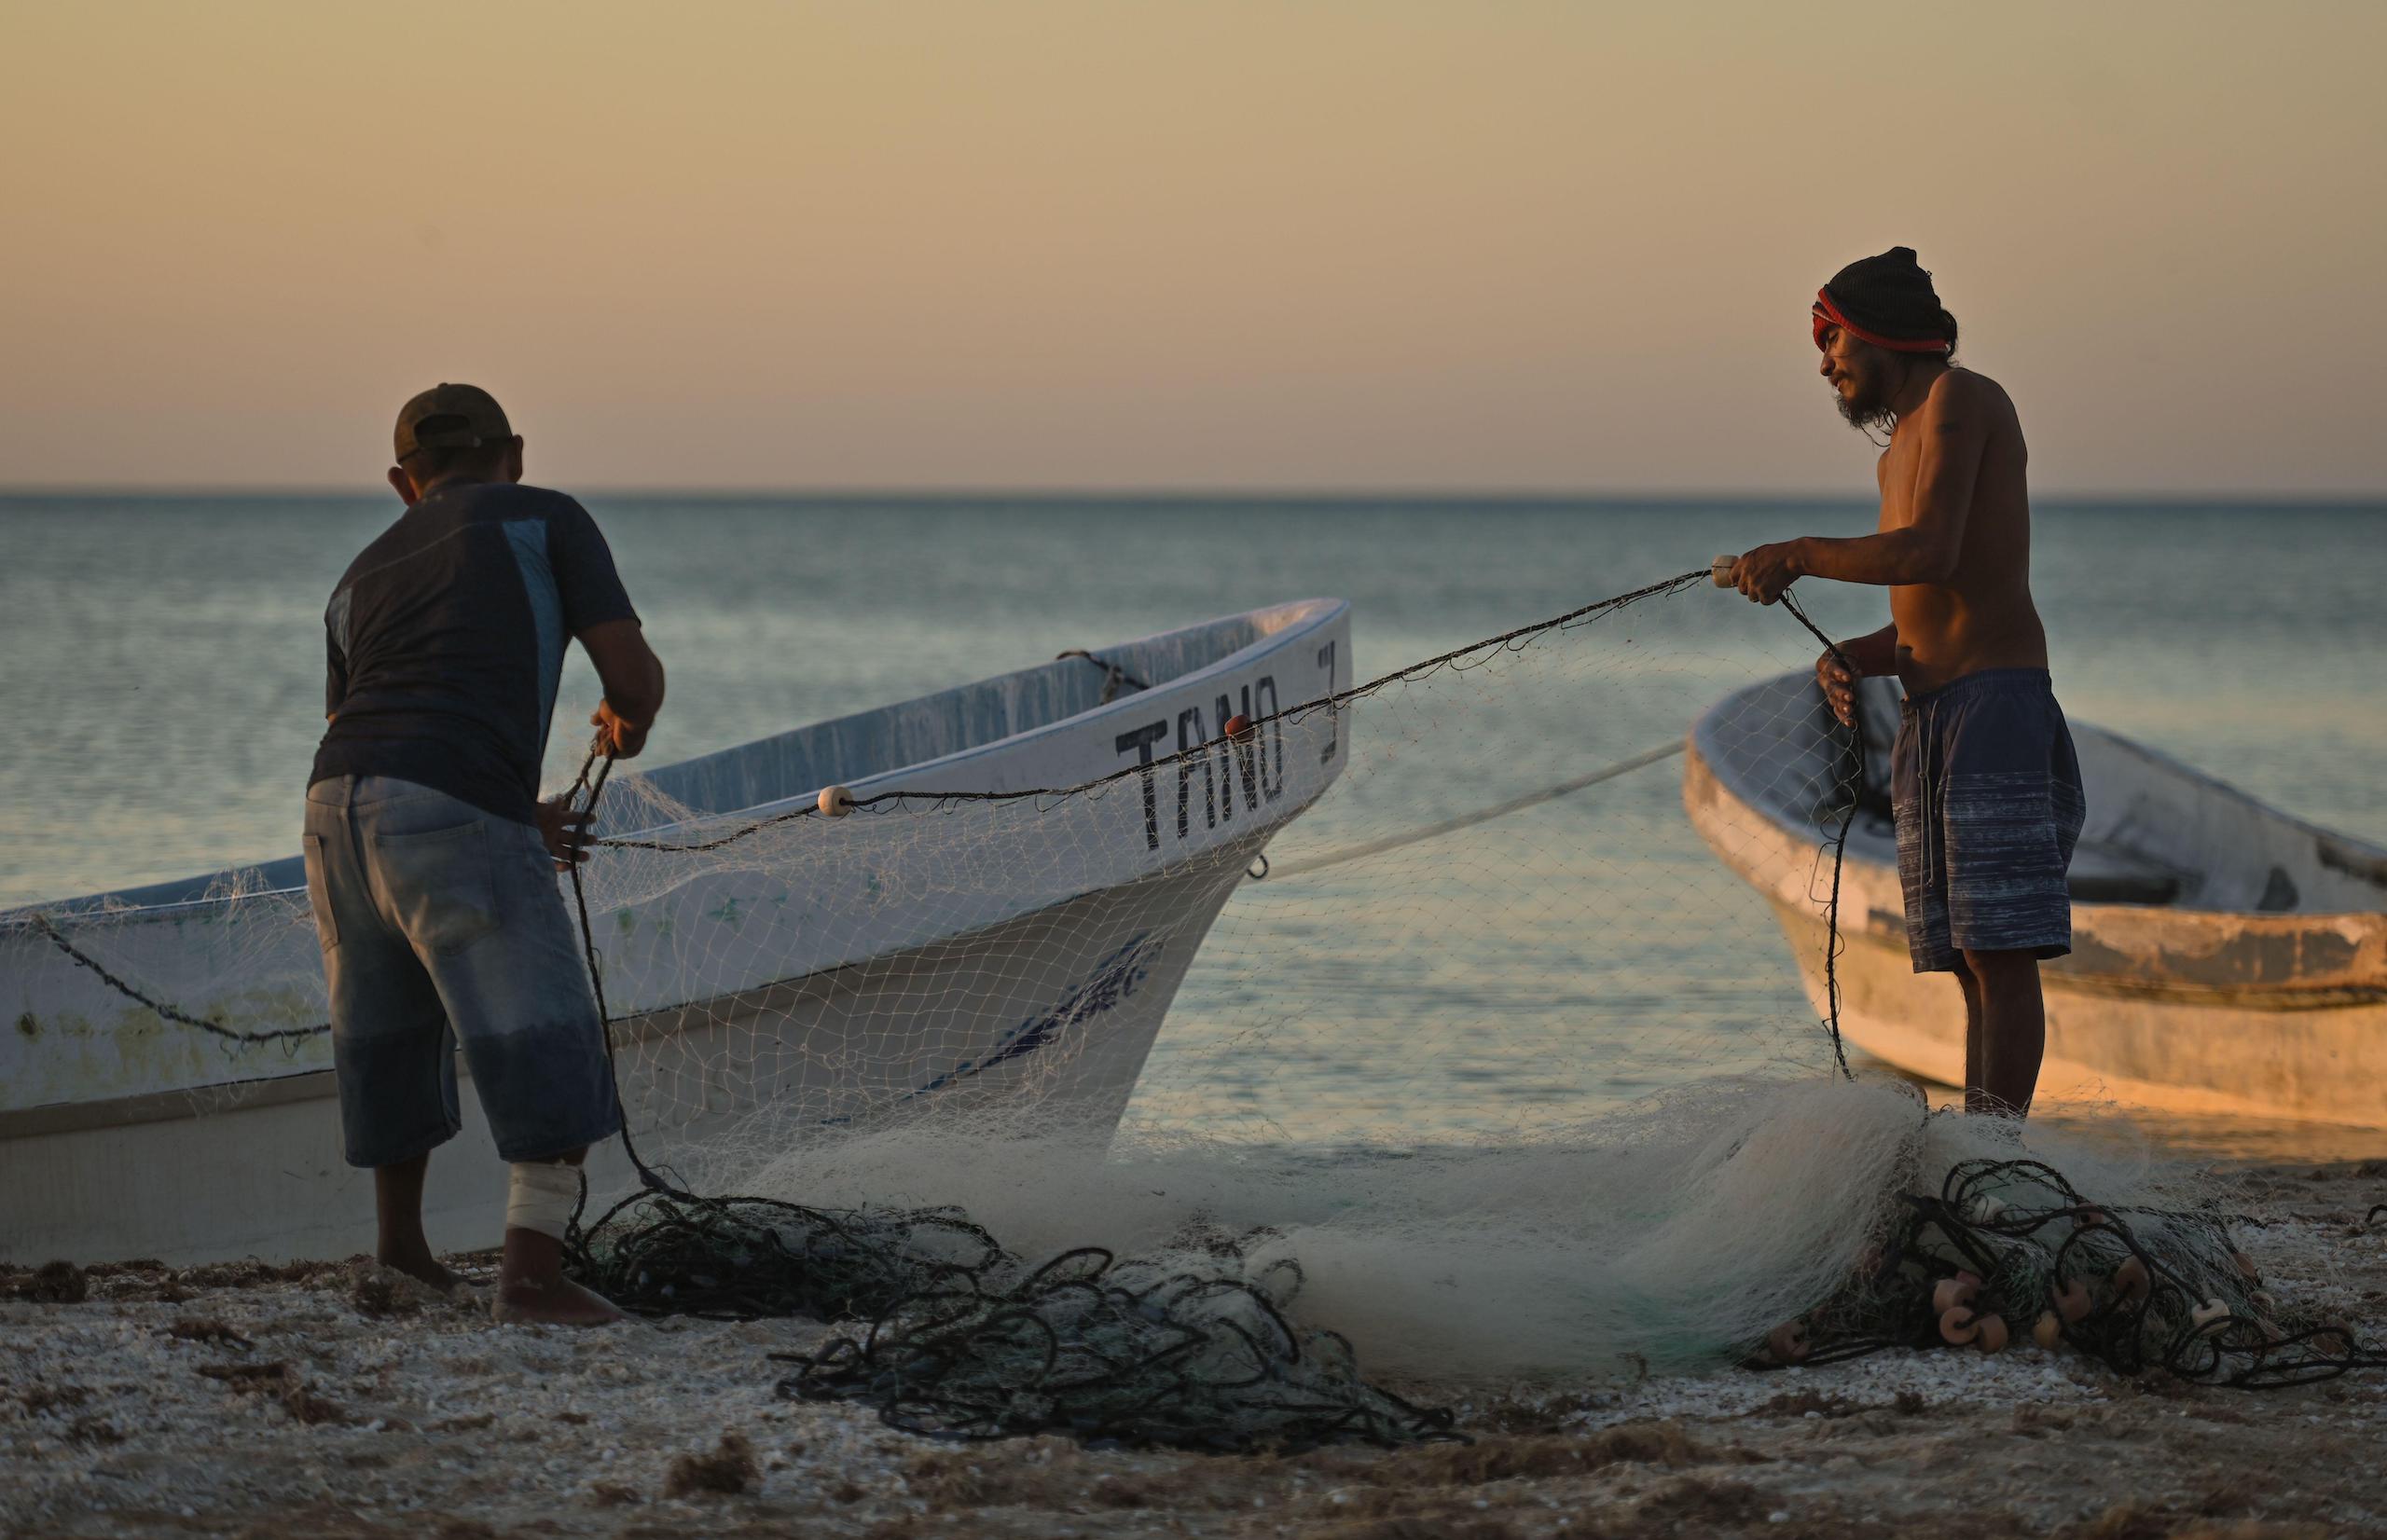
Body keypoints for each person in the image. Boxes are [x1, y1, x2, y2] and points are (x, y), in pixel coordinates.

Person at [303, 383, 667, 1323]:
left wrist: (511, 811)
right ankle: (532, 1279)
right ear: (513, 452)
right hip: (448, 799)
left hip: (333, 809)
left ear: (400, 481)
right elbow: (630, 679)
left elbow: (372, 733)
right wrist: (623, 727)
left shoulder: (357, 575)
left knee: (387, 1036)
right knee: (544, 1038)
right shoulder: (547, 516)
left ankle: (401, 1254)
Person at [1724, 248, 2081, 1118]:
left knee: (2001, 950)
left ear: (1882, 333)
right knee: (1963, 956)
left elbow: (1931, 551)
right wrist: (1853, 655)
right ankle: (1980, 1147)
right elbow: (1926, 611)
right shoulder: (1894, 459)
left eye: (1833, 338)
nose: (1823, 362)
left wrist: (1801, 553)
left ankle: (1999, 1163)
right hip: (1931, 718)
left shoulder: (1965, 400)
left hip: (1995, 706)